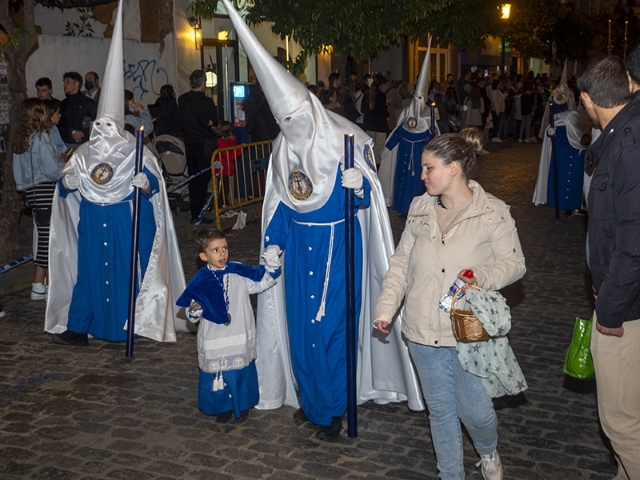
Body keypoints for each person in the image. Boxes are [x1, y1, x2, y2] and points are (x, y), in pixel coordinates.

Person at [222, 0, 424, 443]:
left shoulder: (343, 140)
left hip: (337, 253)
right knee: (300, 330)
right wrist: (273, 241)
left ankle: (333, 410)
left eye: (295, 118)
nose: (290, 126)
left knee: (331, 332)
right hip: (297, 255)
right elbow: (279, 205)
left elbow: (367, 205)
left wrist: (360, 186)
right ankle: (311, 401)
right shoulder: (281, 149)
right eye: (283, 120)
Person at [373, 128, 526, 480]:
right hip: (421, 329)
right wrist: (385, 310)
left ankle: (488, 450)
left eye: (429, 168)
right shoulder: (419, 208)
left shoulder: (494, 213)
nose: (421, 175)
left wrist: (480, 275)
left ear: (454, 168)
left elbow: (515, 264)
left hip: (467, 330)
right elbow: (400, 263)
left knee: (476, 411)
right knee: (440, 411)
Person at [46, 0, 186, 346]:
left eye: (111, 123)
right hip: (93, 219)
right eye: (102, 124)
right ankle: (80, 325)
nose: (106, 129)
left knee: (126, 272)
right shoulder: (84, 152)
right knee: (90, 272)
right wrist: (69, 183)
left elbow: (155, 184)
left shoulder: (133, 149)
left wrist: (147, 182)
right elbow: (64, 187)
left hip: (124, 218)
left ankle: (131, 324)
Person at [580, 53, 640, 479]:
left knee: (621, 424)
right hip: (625, 299)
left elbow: (632, 241)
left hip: (626, 309)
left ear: (587, 99)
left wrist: (611, 310)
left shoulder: (629, 143)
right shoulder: (622, 136)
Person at [176, 229, 280, 424]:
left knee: (240, 371)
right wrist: (195, 310)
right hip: (214, 335)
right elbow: (191, 312)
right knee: (218, 374)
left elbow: (258, 284)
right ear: (203, 256)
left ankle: (242, 405)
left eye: (224, 248)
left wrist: (272, 269)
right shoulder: (200, 281)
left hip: (239, 330)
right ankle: (222, 406)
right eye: (215, 250)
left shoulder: (237, 271)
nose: (222, 253)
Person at [11, 98, 68, 301]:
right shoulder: (42, 136)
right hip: (45, 189)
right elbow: (52, 169)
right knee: (47, 240)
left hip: (32, 192)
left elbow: (19, 173)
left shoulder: (22, 137)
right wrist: (63, 168)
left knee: (44, 238)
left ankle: (43, 285)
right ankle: (38, 286)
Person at [178, 69, 219, 224]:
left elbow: (181, 120)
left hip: (189, 143)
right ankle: (200, 213)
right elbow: (214, 120)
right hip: (204, 145)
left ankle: (194, 214)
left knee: (193, 178)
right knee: (203, 180)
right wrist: (208, 123)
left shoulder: (182, 100)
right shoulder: (206, 102)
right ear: (203, 83)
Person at [59, 71, 96, 146]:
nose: (65, 85)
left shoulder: (88, 103)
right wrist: (69, 133)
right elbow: (60, 124)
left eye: (68, 82)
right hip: (67, 143)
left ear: (76, 84)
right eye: (64, 82)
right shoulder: (62, 104)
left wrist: (84, 132)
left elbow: (96, 123)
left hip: (85, 143)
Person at [361, 74, 389, 162]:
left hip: (369, 124)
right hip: (380, 125)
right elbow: (383, 110)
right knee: (379, 148)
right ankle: (377, 166)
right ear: (380, 85)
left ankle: (369, 164)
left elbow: (362, 109)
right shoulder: (381, 95)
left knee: (369, 147)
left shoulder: (366, 94)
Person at [214, 120, 241, 206]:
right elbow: (230, 155)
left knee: (225, 189)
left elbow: (230, 147)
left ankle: (224, 204)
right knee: (223, 189)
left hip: (225, 168)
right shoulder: (221, 143)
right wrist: (240, 149)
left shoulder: (223, 141)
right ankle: (222, 206)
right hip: (223, 169)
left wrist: (232, 140)